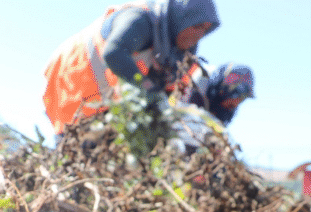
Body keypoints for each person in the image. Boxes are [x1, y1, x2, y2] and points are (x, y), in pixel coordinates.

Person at [43, 0, 221, 135]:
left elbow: (166, 86)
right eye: (196, 26)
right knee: (73, 153)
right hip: (70, 83)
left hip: (102, 105)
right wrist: (149, 91)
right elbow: (114, 53)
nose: (199, 35)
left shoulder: (173, 52)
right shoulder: (141, 20)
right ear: (181, 19)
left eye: (205, 30)